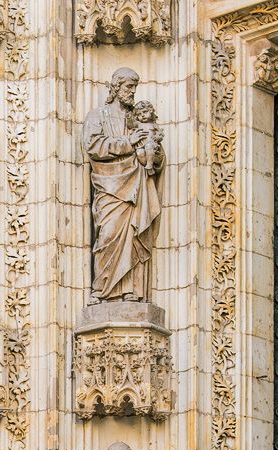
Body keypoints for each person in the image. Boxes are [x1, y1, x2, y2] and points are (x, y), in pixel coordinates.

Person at [83, 68, 165, 304]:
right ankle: (102, 289)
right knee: (108, 235)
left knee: (133, 234)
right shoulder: (98, 116)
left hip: (136, 186)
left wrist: (155, 154)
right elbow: (93, 146)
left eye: (134, 88)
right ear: (116, 88)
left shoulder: (138, 120)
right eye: (128, 87)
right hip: (109, 187)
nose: (132, 92)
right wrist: (128, 142)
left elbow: (155, 154)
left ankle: (132, 290)